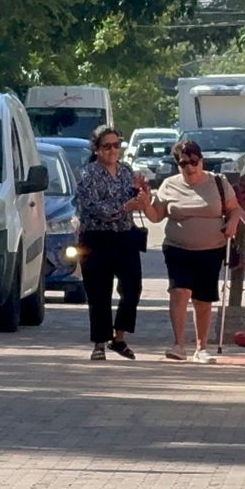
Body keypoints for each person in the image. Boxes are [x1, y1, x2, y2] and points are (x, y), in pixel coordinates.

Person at [144, 140, 240, 363]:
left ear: (201, 160)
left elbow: (234, 209)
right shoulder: (169, 185)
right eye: (183, 163)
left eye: (193, 161)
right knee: (180, 292)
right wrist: (146, 204)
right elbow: (156, 216)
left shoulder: (218, 182)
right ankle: (179, 345)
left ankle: (201, 348)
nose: (189, 167)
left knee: (203, 298)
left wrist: (232, 223)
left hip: (211, 249)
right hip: (178, 248)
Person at [75, 126, 147, 361]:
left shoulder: (126, 171)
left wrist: (140, 193)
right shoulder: (88, 174)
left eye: (117, 145)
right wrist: (125, 207)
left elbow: (133, 197)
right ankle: (100, 342)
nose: (113, 150)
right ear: (96, 149)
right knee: (99, 292)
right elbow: (95, 208)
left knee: (132, 287)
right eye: (107, 146)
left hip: (125, 236)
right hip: (96, 238)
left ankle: (119, 337)